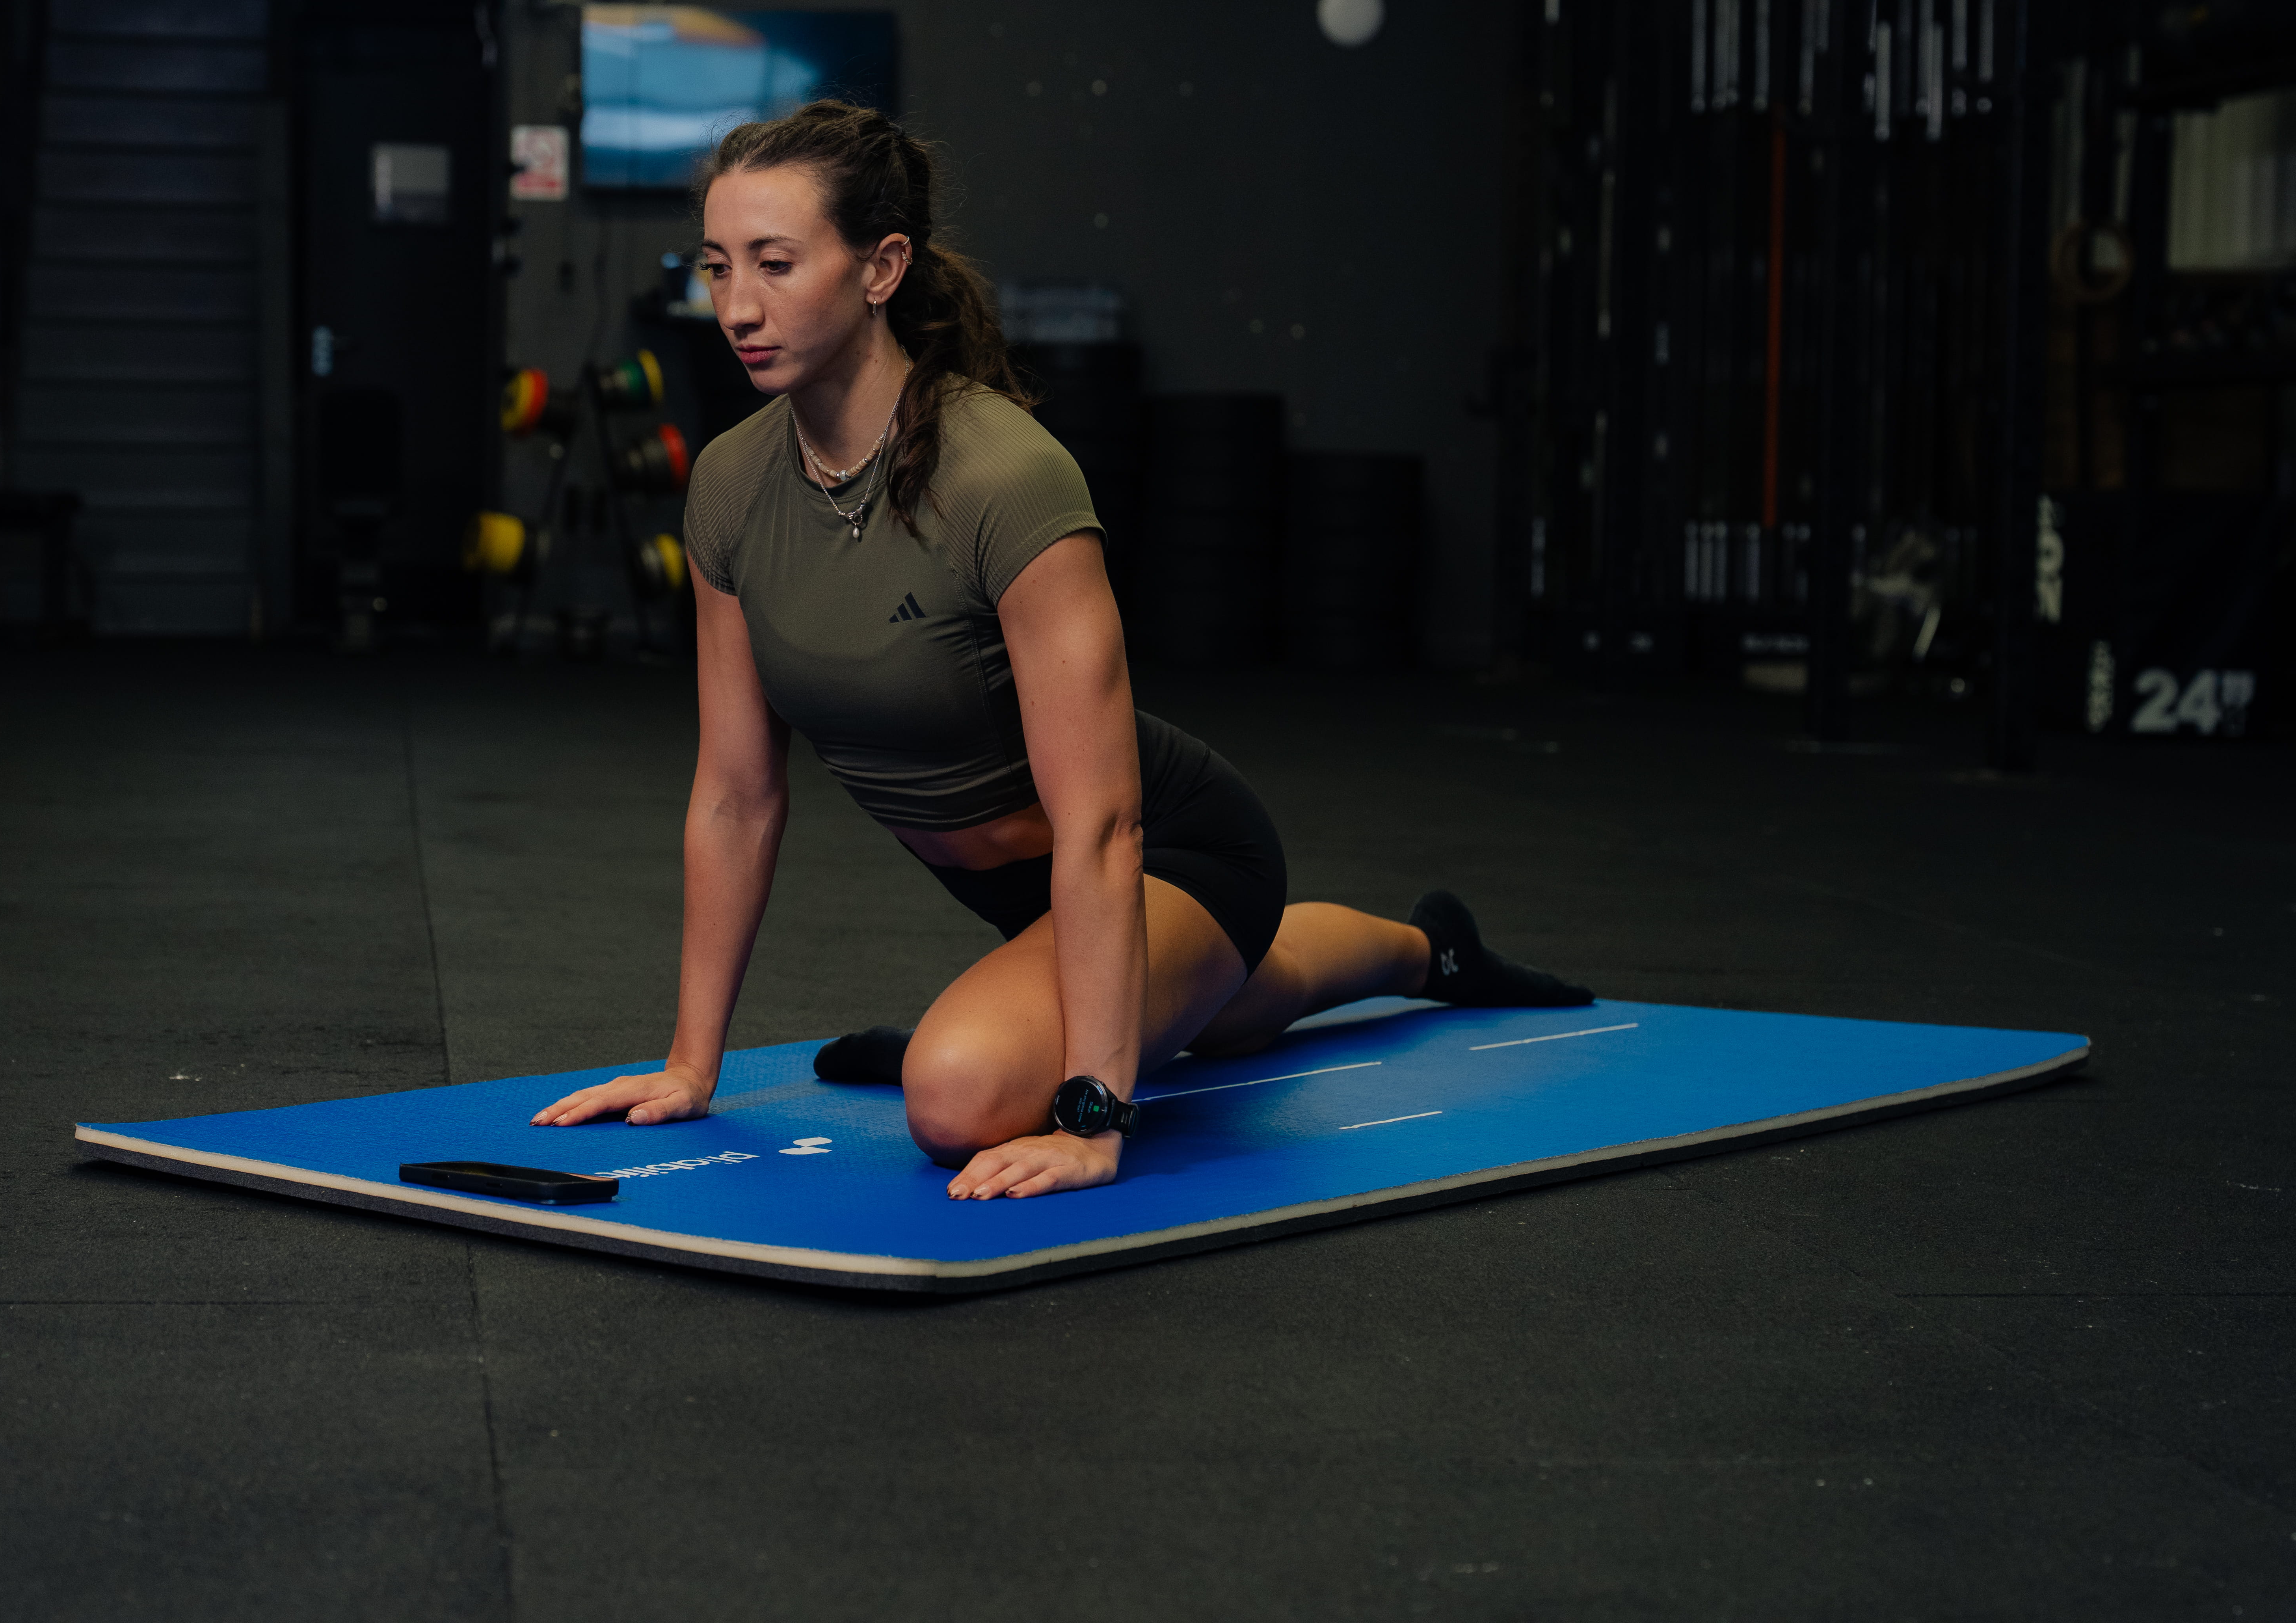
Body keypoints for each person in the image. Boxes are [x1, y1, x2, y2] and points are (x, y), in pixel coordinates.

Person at [532, 101, 1591, 1200]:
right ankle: (1428, 951)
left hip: (1168, 849)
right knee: (1224, 1010)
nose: (738, 308)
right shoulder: (730, 486)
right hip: (1029, 898)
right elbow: (736, 796)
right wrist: (688, 1066)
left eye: (777, 264)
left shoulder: (1005, 477)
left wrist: (1091, 1112)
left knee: (953, 1094)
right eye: (716, 268)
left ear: (882, 266)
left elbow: (1102, 824)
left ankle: (1055, 1030)